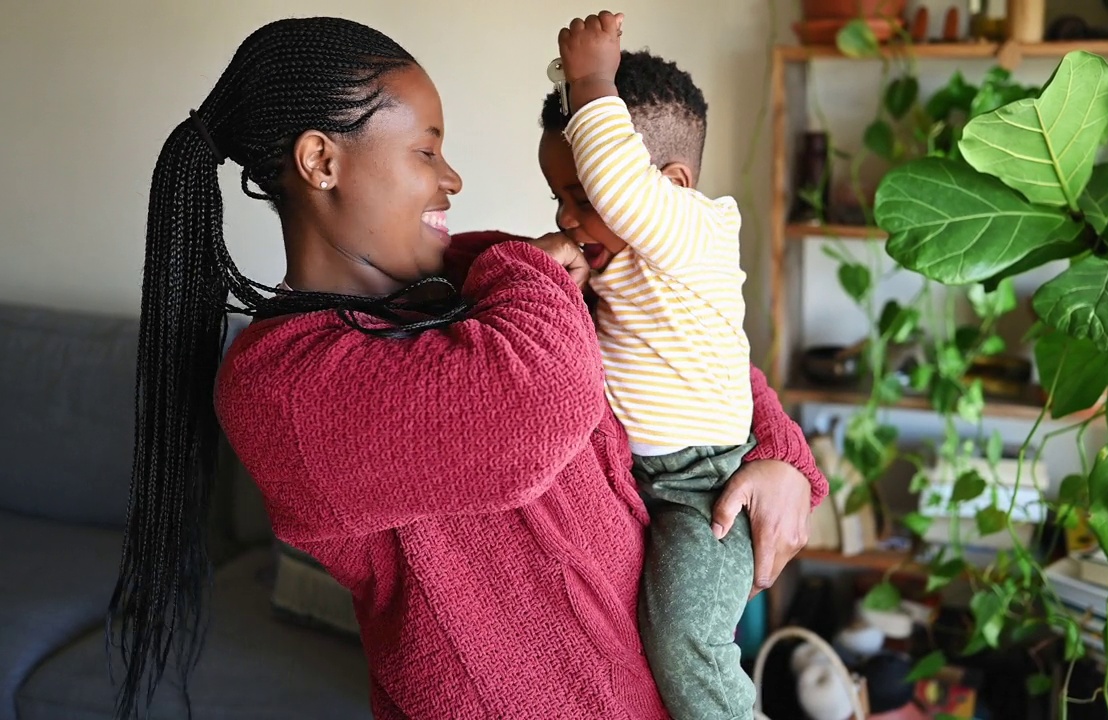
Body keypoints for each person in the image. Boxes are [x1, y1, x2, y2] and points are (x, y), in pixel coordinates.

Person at [108, 15, 828, 720]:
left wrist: (782, 459)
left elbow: (684, 341)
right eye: (426, 151)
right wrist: (529, 272)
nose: (452, 178)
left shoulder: (478, 272)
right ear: (321, 161)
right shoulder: (282, 384)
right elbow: (539, 408)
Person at [543, 12, 760, 718]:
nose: (570, 216)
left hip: (706, 491)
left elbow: (621, 190)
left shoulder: (696, 228)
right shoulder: (623, 262)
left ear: (672, 181)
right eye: (559, 198)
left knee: (685, 639)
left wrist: (590, 81)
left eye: (582, 198)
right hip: (645, 488)